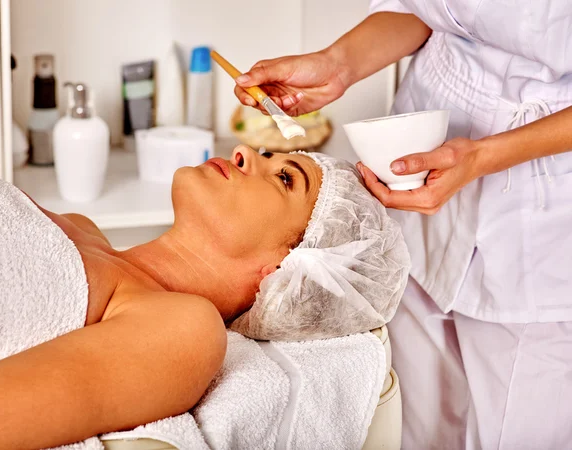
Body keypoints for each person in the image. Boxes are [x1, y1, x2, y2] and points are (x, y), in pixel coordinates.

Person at [234, 2, 572, 449]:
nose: (242, 155)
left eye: (286, 176)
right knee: (411, 424)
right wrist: (339, 64)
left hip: (542, 214)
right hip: (419, 148)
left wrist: (485, 156)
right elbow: (430, 9)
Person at [0, 145, 408, 448]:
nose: (243, 152)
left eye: (283, 178)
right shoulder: (78, 224)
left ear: (285, 269)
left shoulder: (182, 330)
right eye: (268, 155)